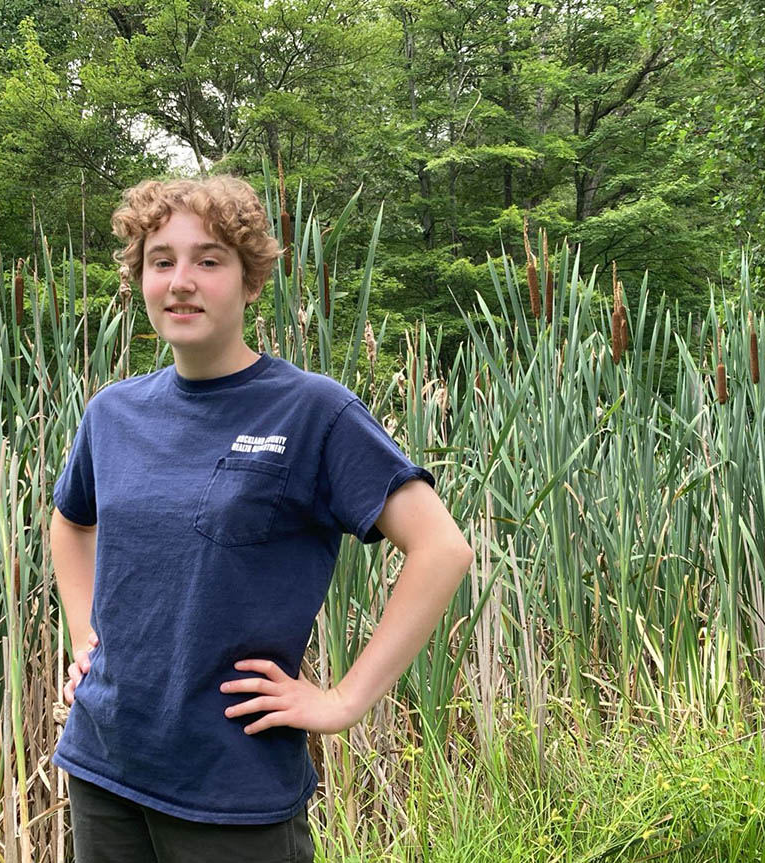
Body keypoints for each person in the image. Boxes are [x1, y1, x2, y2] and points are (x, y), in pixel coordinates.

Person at [49, 174, 474, 862]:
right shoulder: (113, 413)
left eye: (209, 260)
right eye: (162, 260)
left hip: (231, 787)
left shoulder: (312, 411)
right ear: (141, 279)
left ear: (250, 283)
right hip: (105, 763)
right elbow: (70, 523)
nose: (181, 280)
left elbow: (442, 548)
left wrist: (341, 700)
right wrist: (84, 634)